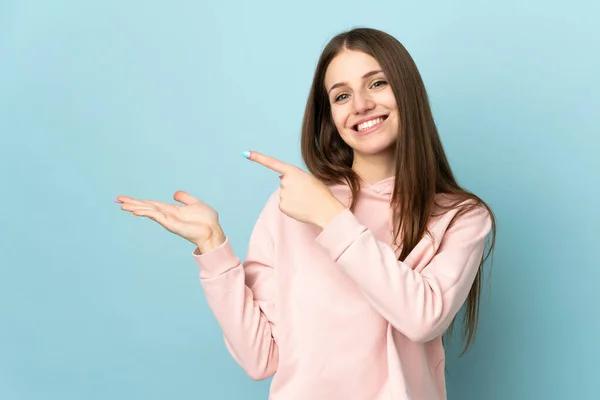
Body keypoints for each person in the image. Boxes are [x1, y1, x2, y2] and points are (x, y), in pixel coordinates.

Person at [115, 27, 496, 400]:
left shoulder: (461, 217)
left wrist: (331, 217)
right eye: (341, 95)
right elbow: (260, 358)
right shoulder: (290, 207)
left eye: (377, 83)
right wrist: (213, 248)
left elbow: (421, 319)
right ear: (329, 115)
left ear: (407, 91)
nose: (361, 104)